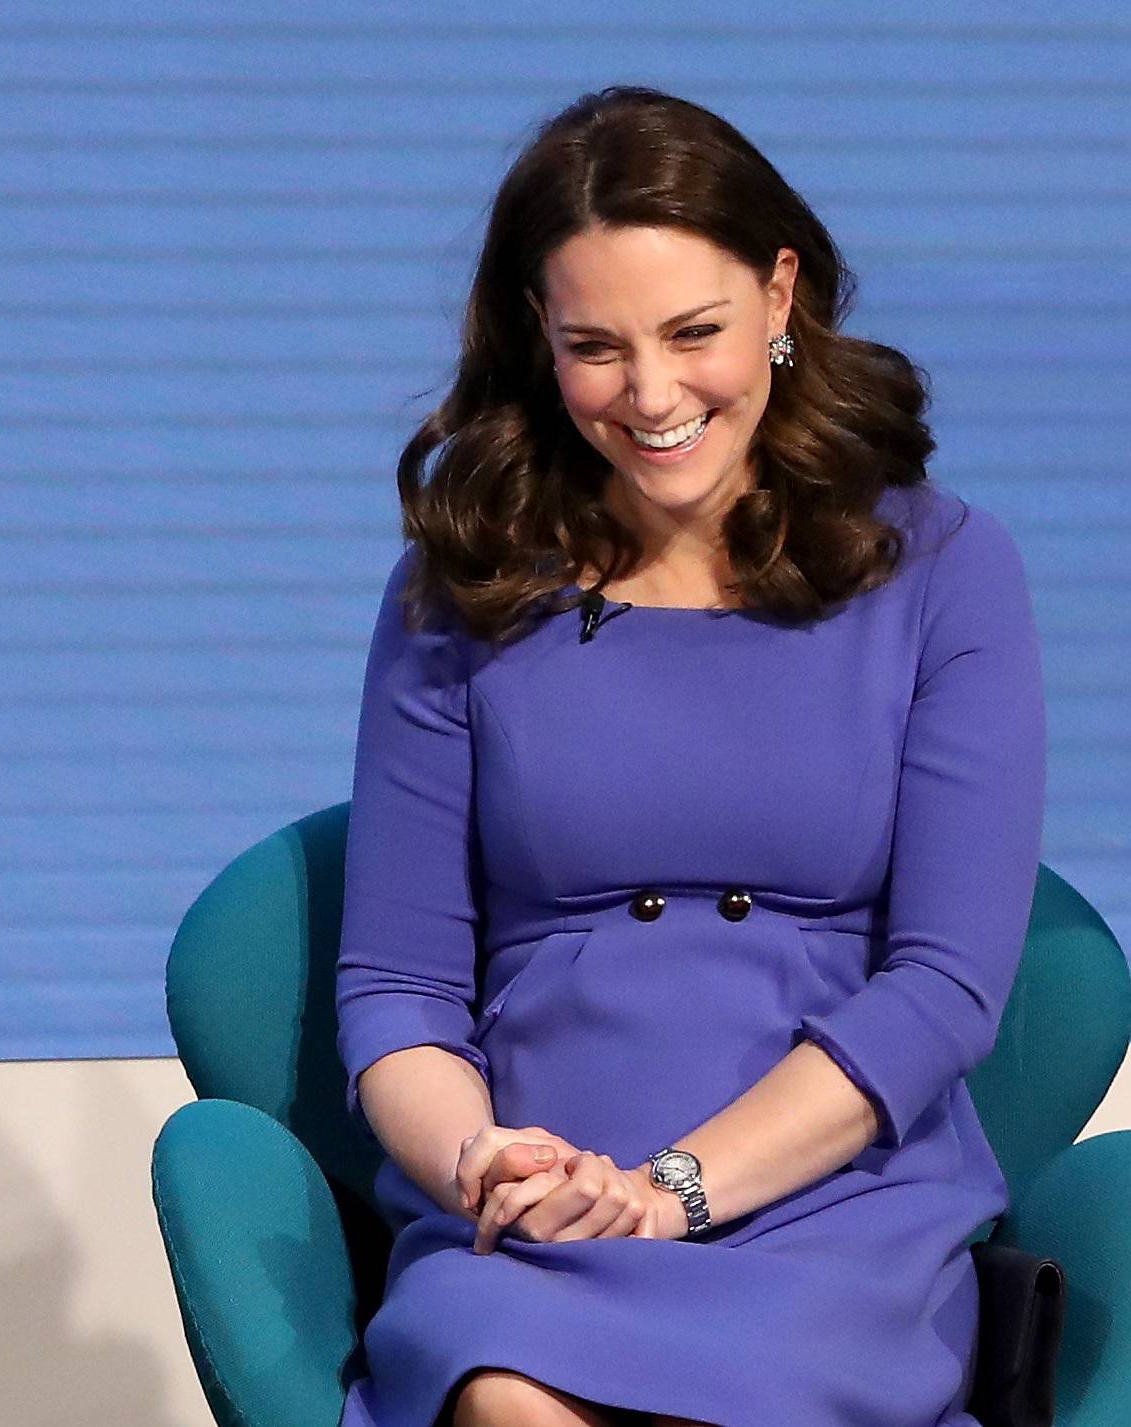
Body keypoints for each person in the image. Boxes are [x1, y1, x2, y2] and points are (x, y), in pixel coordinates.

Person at [334, 87, 1045, 1427]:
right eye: (596, 346)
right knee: (505, 1393)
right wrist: (482, 1157)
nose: (653, 396)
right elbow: (398, 988)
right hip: (546, 1199)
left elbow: (946, 982)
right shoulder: (462, 586)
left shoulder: (943, 567)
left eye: (694, 333)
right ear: (537, 336)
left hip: (833, 1197)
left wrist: (680, 1186)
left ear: (782, 296)